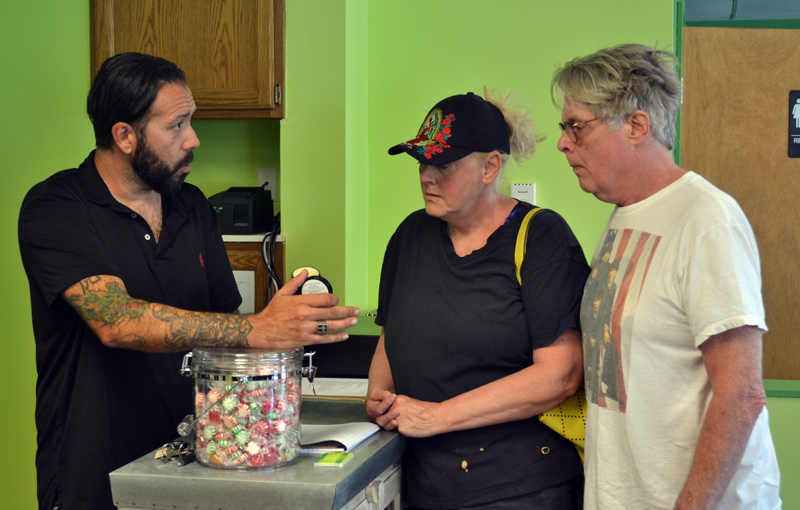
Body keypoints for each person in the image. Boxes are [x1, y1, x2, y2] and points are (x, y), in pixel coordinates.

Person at [18, 52, 360, 510]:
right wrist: (258, 327)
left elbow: (226, 333)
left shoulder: (192, 206)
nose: (193, 139)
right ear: (124, 135)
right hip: (92, 478)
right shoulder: (57, 207)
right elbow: (117, 322)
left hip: (191, 470)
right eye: (177, 125)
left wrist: (293, 324)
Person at [551, 44, 781, 510]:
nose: (563, 143)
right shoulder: (626, 215)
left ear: (637, 125)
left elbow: (741, 395)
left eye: (577, 127)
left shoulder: (707, 221)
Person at [365, 90, 590, 509]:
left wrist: (436, 416)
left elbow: (559, 376)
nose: (426, 176)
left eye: (443, 164)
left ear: (490, 166)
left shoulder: (541, 236)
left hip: (520, 488)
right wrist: (380, 391)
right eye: (422, 162)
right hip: (426, 484)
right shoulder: (410, 235)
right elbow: (391, 331)